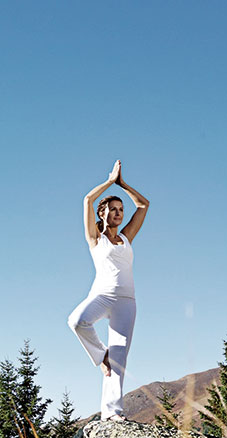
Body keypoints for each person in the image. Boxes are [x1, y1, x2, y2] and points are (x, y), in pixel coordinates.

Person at [67, 159, 150, 421]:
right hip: (102, 295)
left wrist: (123, 184)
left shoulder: (126, 237)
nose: (118, 213)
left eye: (120, 209)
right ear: (103, 212)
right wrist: (109, 181)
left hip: (127, 301)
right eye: (113, 209)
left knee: (119, 360)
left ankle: (112, 414)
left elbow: (144, 205)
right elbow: (86, 200)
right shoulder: (95, 238)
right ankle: (100, 355)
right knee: (78, 321)